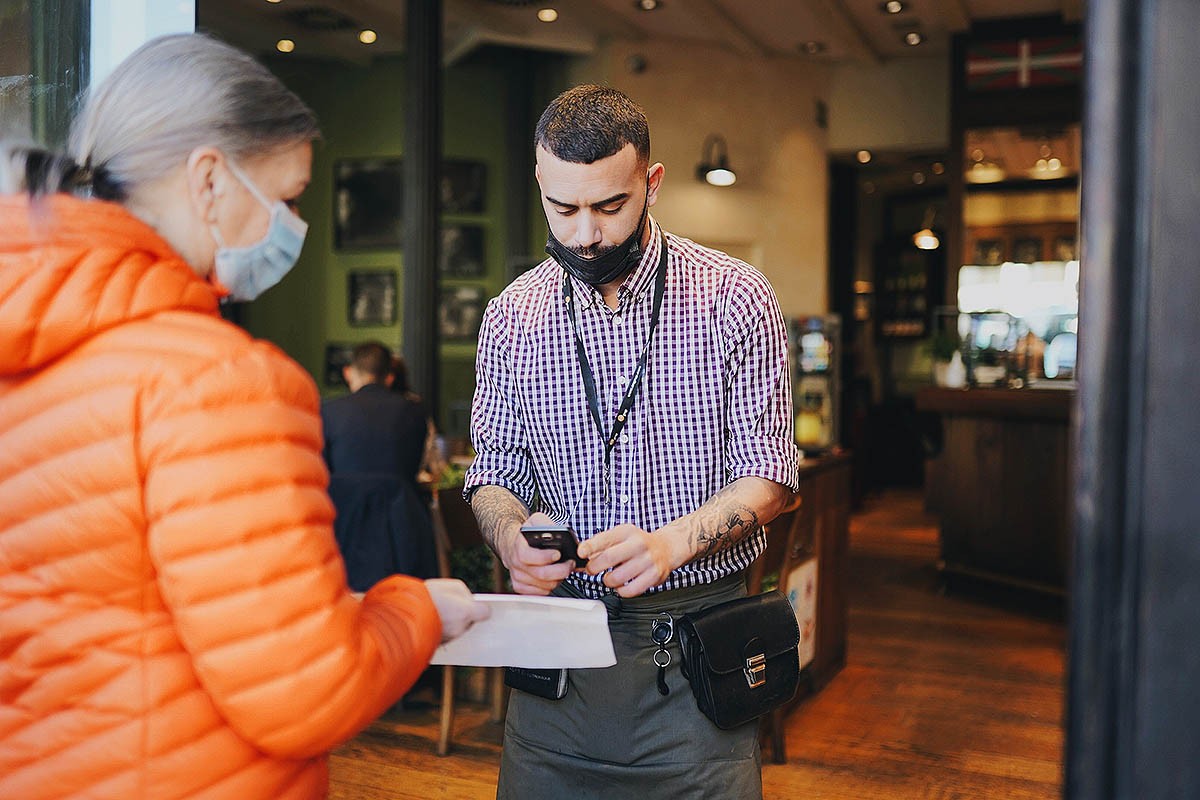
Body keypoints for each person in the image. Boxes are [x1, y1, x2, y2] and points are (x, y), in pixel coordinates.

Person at [0, 34, 487, 800]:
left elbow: (123, 615)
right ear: (209, 180)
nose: (291, 225)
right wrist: (414, 606)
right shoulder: (217, 378)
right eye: (288, 198)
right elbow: (306, 695)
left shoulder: (26, 351)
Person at [464, 84, 800, 799]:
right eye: (564, 208)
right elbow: (493, 469)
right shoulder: (510, 319)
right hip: (556, 664)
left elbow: (769, 476)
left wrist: (670, 544)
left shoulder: (734, 298)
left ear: (651, 184)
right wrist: (509, 537)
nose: (584, 233)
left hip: (696, 659)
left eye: (609, 207)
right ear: (541, 187)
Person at [322, 341, 439, 587]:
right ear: (389, 377)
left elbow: (321, 473)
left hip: (343, 533)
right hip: (404, 531)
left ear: (348, 372)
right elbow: (420, 467)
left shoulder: (329, 411)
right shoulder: (414, 412)